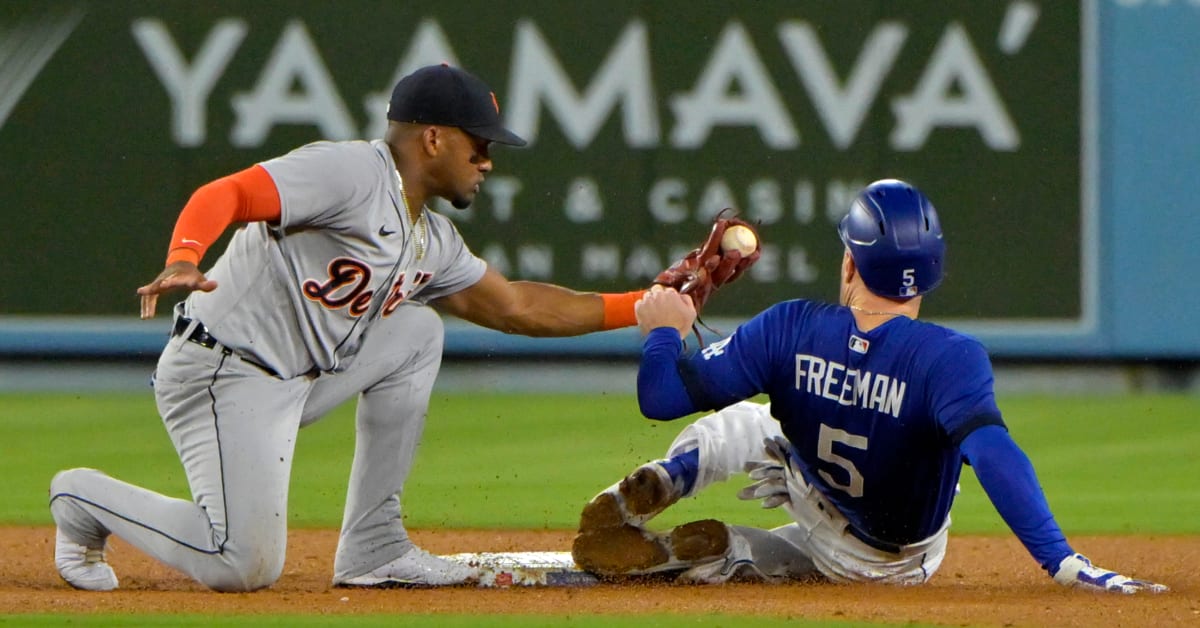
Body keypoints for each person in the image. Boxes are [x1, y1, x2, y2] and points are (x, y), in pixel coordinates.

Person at [48, 63, 649, 592]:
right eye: (480, 145)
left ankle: (375, 546)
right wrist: (186, 253)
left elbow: (518, 306)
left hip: (300, 378)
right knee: (242, 566)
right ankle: (81, 498)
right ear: (433, 138)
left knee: (418, 333)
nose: (488, 161)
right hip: (224, 372)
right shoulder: (351, 172)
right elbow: (227, 192)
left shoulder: (430, 237)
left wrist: (647, 305)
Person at [572, 179, 1169, 594]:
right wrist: (1060, 560)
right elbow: (993, 455)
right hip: (887, 562)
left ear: (851, 264)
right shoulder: (949, 359)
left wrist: (664, 332)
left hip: (813, 477)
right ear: (930, 274)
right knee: (773, 546)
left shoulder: (789, 327)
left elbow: (660, 398)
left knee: (743, 425)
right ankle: (718, 551)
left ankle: (648, 489)